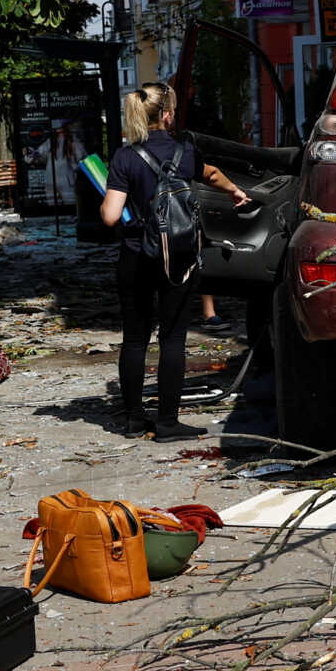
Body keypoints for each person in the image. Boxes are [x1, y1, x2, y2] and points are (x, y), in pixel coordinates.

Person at [100, 85, 250, 440]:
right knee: (173, 338)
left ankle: (134, 420)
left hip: (136, 257)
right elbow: (211, 173)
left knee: (134, 340)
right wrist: (236, 191)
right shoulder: (185, 152)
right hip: (177, 259)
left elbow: (110, 216)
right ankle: (167, 422)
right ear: (167, 115)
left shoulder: (124, 157)